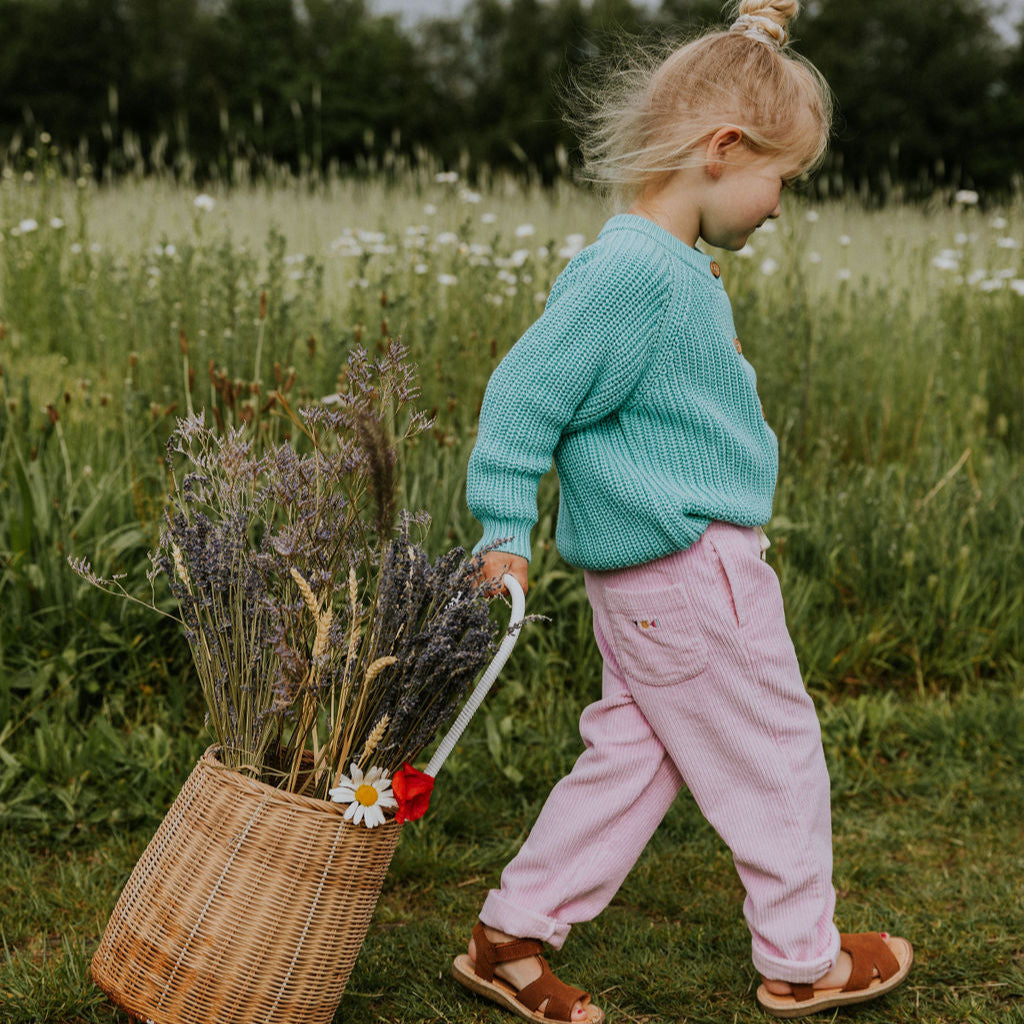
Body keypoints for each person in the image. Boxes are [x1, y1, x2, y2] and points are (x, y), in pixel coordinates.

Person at [451, 1, 913, 1020]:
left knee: (636, 755)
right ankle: (802, 958)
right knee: (774, 750)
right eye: (778, 181)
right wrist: (500, 529)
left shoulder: (650, 261)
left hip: (652, 577)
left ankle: (508, 935)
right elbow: (523, 399)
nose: (779, 206)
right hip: (690, 572)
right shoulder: (634, 273)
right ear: (720, 151)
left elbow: (733, 107)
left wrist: (758, 37)